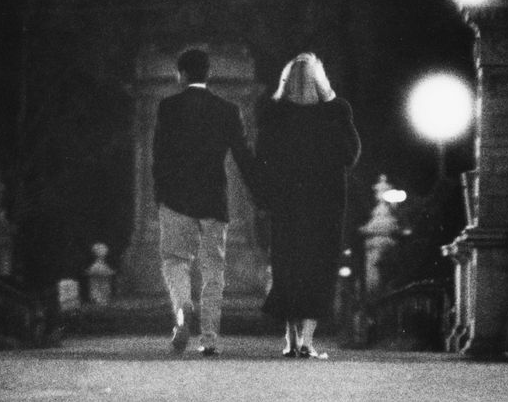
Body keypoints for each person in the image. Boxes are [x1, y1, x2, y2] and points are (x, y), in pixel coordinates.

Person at [151, 47, 256, 357]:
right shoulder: (228, 109)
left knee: (175, 261)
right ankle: (209, 338)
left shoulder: (167, 107)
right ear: (208, 74)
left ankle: (183, 310)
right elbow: (243, 156)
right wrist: (261, 192)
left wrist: (161, 195)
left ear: (181, 74)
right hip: (213, 200)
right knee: (214, 270)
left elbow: (159, 157)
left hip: (176, 200)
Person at [255, 52, 360, 359]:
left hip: (286, 202)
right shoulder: (335, 111)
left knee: (287, 265)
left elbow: (262, 157)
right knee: (319, 266)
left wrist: (267, 195)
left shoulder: (273, 112)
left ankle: (289, 339)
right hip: (325, 204)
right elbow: (350, 153)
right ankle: (307, 341)